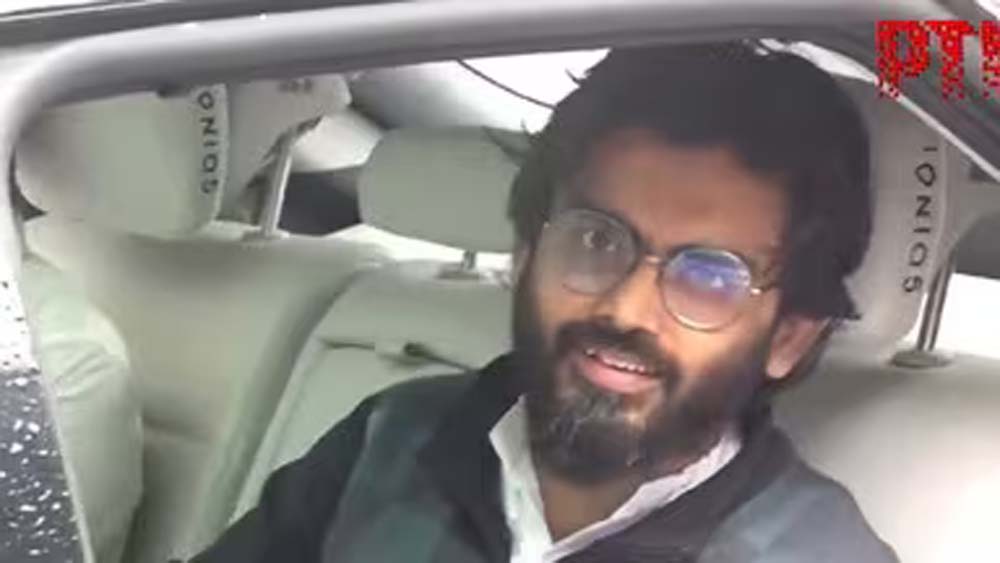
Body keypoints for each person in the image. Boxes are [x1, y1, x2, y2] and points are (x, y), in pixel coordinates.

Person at [193, 42, 896, 562]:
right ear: (527, 250)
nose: (626, 309)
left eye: (709, 277)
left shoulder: (817, 553)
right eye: (595, 238)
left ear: (789, 337)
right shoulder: (393, 437)